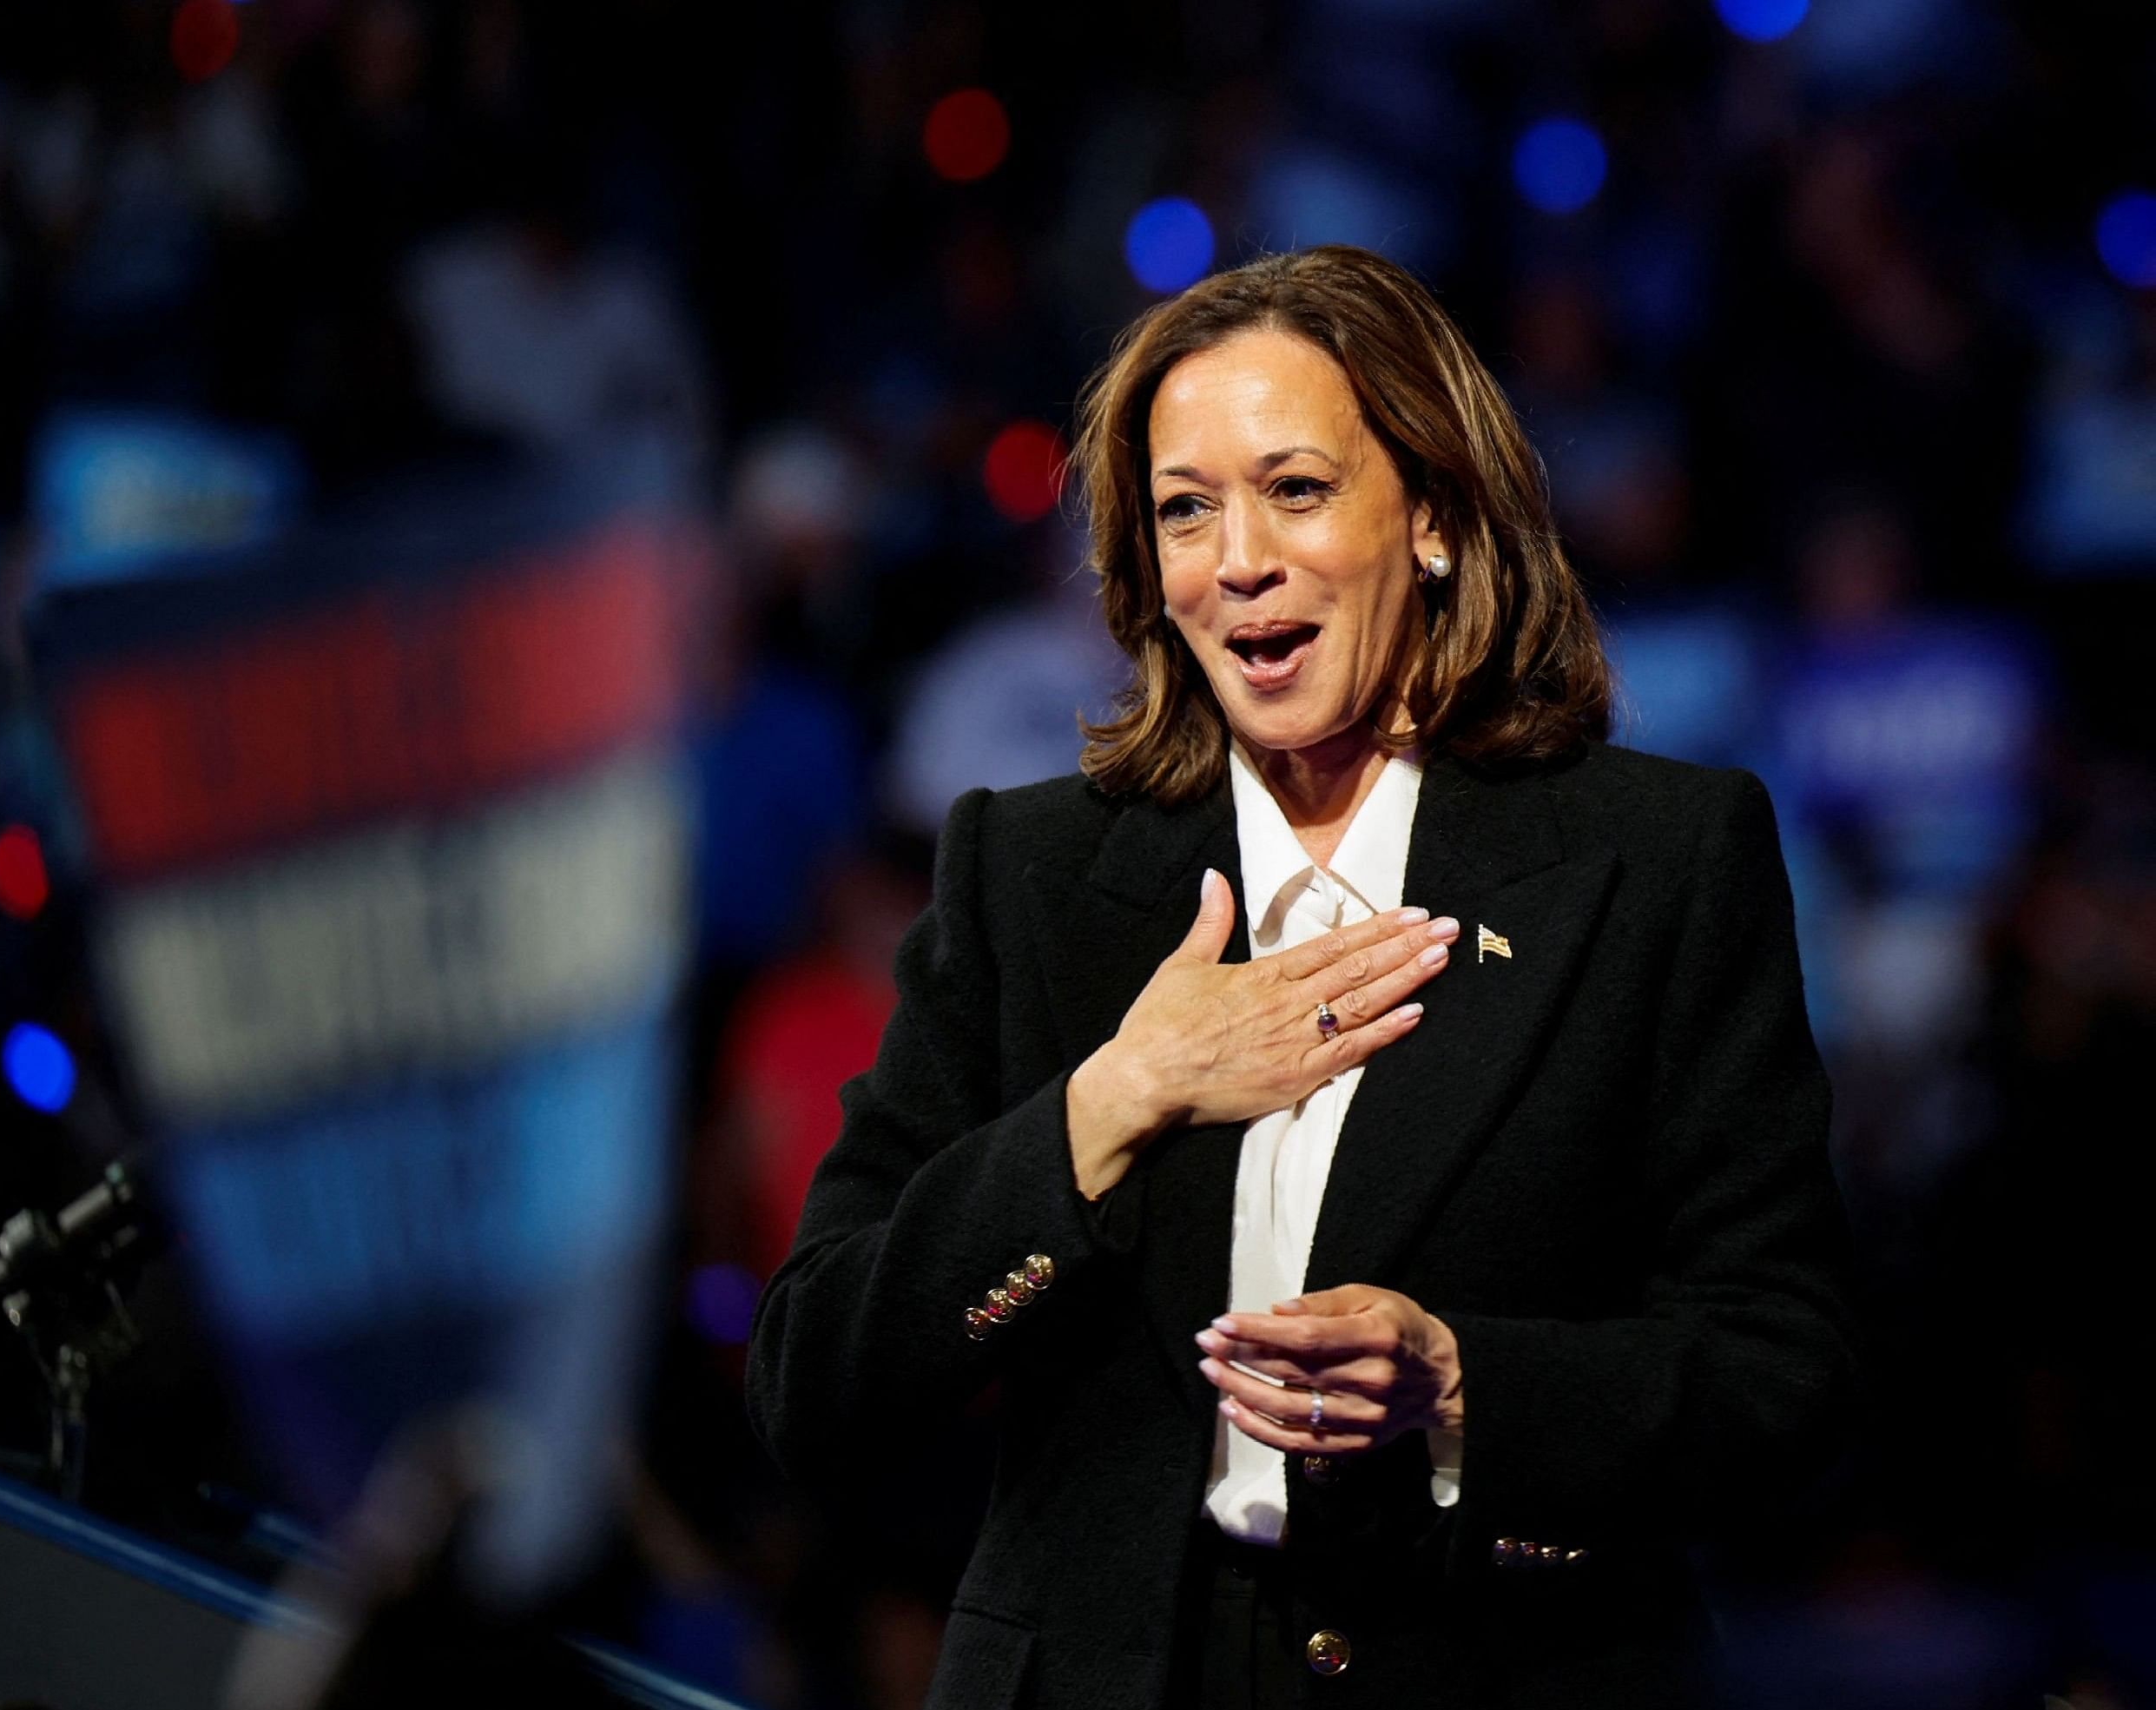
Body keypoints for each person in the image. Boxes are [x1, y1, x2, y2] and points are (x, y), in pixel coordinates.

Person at [745, 246, 1856, 1709]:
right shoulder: (1028, 874)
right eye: (1186, 510)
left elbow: (1787, 1382)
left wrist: (1465, 1386)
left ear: (1441, 519)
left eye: (1298, 488)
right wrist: (1114, 1099)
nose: (1239, 558)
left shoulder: (1658, 859)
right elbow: (815, 1382)